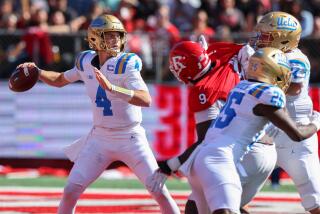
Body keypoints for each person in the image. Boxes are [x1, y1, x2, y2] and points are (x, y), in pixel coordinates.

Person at [16, 14, 180, 214]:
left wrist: (113, 88)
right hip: (100, 138)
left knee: (159, 190)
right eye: (109, 36)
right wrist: (38, 71)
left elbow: (146, 99)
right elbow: (60, 79)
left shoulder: (126, 63)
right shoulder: (85, 61)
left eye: (117, 36)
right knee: (70, 190)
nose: (115, 40)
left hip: (131, 137)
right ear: (95, 38)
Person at [166, 47, 320, 213]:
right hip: (233, 155)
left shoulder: (240, 85)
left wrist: (172, 164)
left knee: (200, 206)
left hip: (217, 155)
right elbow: (296, 133)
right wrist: (316, 122)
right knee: (223, 207)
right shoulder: (269, 93)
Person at [146, 37, 277, 213]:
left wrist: (170, 165)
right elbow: (243, 48)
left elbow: (206, 140)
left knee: (214, 205)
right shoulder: (221, 56)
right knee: (208, 204)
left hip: (245, 151)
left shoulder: (203, 91)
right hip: (265, 146)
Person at [249, 11, 320, 214]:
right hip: (265, 131)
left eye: (266, 34)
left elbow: (294, 87)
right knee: (236, 187)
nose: (261, 37)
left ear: (283, 37)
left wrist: (260, 80)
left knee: (315, 200)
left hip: (294, 134)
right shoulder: (262, 54)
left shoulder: (295, 58)